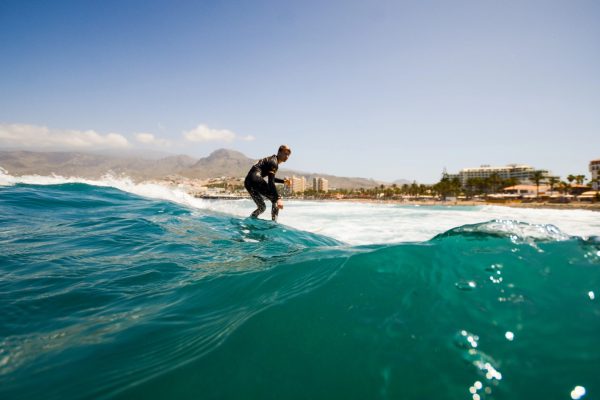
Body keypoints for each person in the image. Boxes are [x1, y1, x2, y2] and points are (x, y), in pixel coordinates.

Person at [244, 145, 291, 221]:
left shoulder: (271, 160)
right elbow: (271, 182)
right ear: (279, 152)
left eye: (288, 155)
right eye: (285, 153)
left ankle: (251, 219)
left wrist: (283, 181)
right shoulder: (274, 162)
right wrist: (278, 198)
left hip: (248, 182)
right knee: (275, 200)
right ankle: (274, 224)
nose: (287, 156)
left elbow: (271, 178)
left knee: (262, 207)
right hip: (255, 179)